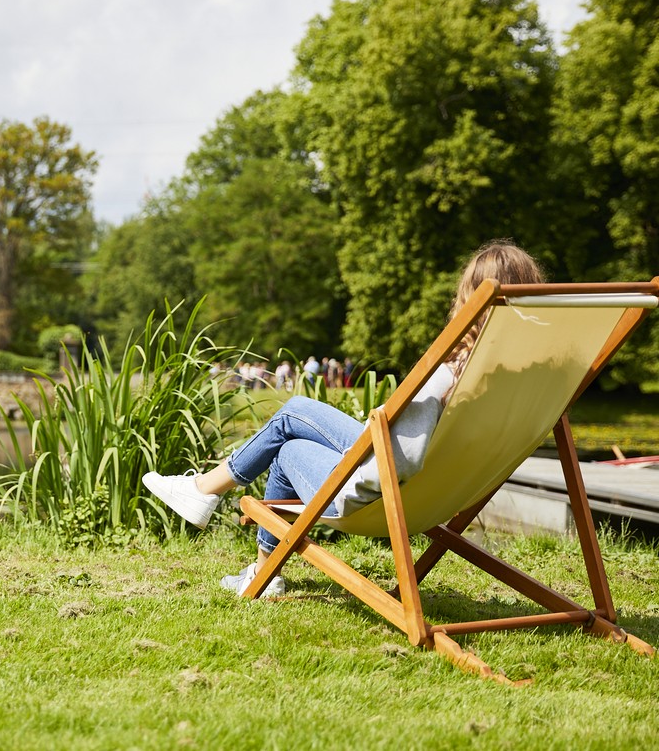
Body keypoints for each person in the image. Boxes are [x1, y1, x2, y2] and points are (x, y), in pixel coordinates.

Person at [142, 241, 545, 597]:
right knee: (294, 424)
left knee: (291, 427)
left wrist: (372, 429)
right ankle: (252, 556)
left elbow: (399, 456)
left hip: (385, 494)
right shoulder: (528, 381)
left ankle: (208, 493)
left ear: (471, 300)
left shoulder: (448, 375)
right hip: (445, 492)